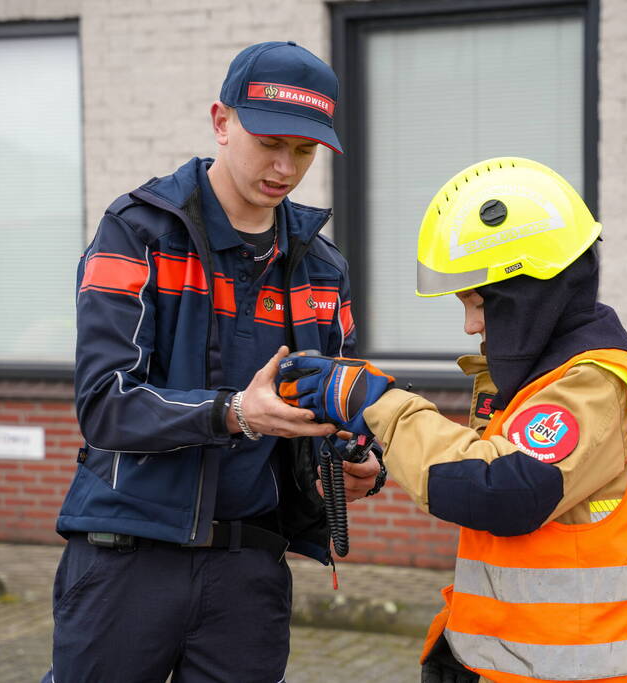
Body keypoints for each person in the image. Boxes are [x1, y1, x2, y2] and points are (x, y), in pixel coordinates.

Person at [43, 41, 382, 683]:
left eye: (304, 151)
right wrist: (234, 414)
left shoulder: (323, 268)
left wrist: (355, 459)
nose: (285, 167)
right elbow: (104, 405)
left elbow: (328, 410)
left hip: (250, 569)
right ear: (222, 122)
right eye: (270, 142)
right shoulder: (137, 230)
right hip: (128, 560)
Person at [280, 158, 627, 682]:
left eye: (479, 304)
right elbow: (472, 469)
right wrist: (379, 462)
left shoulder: (593, 383)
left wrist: (376, 401)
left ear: (528, 293)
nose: (470, 325)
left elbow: (503, 490)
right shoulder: (538, 380)